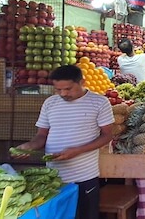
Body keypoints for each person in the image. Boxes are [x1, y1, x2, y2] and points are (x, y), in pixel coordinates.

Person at [11, 65, 114, 219]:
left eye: (68, 89)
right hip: (53, 178)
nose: (63, 94)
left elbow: (107, 136)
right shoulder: (50, 103)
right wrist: (29, 146)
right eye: (58, 90)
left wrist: (77, 150)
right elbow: (41, 135)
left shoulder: (99, 102)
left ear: (82, 82)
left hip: (84, 177)